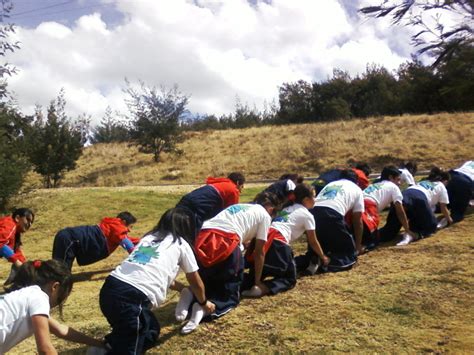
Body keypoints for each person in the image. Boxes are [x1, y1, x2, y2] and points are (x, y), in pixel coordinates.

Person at [99, 208, 214, 354]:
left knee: (151, 330)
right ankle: (112, 349)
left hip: (110, 289)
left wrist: (183, 289)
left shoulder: (149, 239)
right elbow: (195, 282)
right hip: (132, 298)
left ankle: (108, 346)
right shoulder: (181, 245)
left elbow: (156, 274)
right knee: (132, 343)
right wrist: (204, 303)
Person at [176, 192, 277, 334]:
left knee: (208, 278)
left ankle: (191, 292)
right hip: (226, 240)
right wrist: (257, 281)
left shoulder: (240, 206)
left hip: (203, 236)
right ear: (271, 209)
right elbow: (260, 252)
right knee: (229, 293)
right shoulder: (265, 216)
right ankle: (203, 309)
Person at [242, 184, 329, 298]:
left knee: (256, 275)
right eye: (314, 196)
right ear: (306, 200)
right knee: (289, 279)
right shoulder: (307, 215)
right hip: (279, 244)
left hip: (262, 240)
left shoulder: (286, 208)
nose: (315, 200)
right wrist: (323, 257)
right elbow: (313, 241)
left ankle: (245, 285)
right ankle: (263, 288)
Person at [0, 259, 103, 353]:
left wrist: (98, 343)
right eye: (60, 298)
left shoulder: (27, 297)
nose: (57, 304)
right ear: (55, 287)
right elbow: (45, 349)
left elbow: (61, 330)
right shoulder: (39, 297)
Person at [303, 169, 364, 272]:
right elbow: (357, 220)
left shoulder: (331, 184)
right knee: (349, 255)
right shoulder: (357, 189)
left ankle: (310, 260)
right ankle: (326, 263)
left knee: (319, 249)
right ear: (356, 181)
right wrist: (357, 246)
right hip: (332, 214)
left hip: (314, 213)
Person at [379, 167, 452, 245]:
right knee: (431, 225)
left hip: (404, 195)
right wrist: (449, 220)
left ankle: (373, 236)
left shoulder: (423, 181)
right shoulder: (441, 186)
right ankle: (413, 235)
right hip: (419, 198)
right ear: (445, 181)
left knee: (390, 229)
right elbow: (443, 207)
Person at [52, 211, 139, 270]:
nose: (129, 230)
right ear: (123, 222)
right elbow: (127, 244)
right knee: (60, 271)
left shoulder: (110, 226)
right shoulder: (118, 226)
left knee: (57, 266)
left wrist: (143, 241)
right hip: (70, 239)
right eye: (130, 227)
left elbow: (127, 239)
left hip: (68, 236)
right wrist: (138, 259)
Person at [359, 166, 416, 249]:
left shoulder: (374, 184)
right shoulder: (394, 187)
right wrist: (407, 230)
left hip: (356, 205)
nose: (400, 183)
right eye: (398, 179)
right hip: (368, 207)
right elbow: (400, 210)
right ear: (390, 177)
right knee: (372, 241)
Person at [175, 172, 245, 236]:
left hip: (187, 199)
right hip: (198, 206)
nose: (241, 191)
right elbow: (231, 213)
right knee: (194, 235)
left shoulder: (218, 183)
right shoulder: (233, 189)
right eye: (242, 186)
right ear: (238, 183)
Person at [0, 208, 35, 285]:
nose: (29, 224)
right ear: (17, 218)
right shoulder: (9, 224)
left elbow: (17, 252)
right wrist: (16, 262)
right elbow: (0, 243)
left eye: (31, 222)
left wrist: (25, 266)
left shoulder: (15, 232)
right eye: (28, 220)